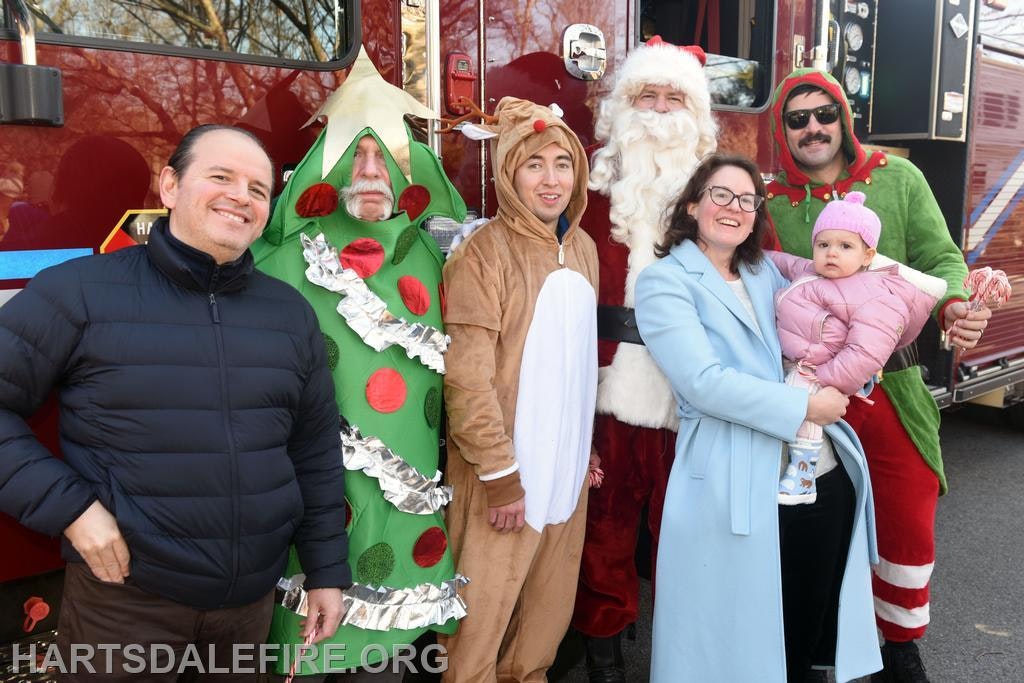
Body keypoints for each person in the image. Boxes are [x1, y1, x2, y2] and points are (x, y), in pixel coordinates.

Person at [0, 124, 348, 680]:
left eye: (259, 189)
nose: (242, 195)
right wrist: (71, 509)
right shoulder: (79, 292)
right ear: (169, 186)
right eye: (221, 177)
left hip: (247, 611)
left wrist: (328, 570)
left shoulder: (290, 315)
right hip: (126, 603)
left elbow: (314, 453)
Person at [765, 68, 992, 682]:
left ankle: (900, 647)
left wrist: (953, 305)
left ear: (844, 116)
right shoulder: (769, 204)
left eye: (824, 113)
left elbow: (942, 259)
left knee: (905, 519)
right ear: (782, 130)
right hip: (815, 395)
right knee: (812, 523)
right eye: (797, 118)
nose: (813, 127)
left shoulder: (900, 178)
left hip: (894, 389)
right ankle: (815, 648)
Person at [252, 49, 468, 679]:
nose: (370, 171)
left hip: (412, 468)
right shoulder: (284, 257)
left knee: (392, 615)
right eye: (357, 155)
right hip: (314, 482)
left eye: (384, 157)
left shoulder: (438, 254)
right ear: (331, 165)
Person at [635, 153, 881, 683]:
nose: (734, 208)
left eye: (747, 200)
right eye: (721, 195)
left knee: (800, 630)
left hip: (820, 474)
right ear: (694, 204)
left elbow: (835, 307)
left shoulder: (763, 268)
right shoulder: (664, 282)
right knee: (730, 637)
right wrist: (804, 407)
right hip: (731, 476)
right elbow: (702, 383)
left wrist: (854, 369)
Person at [572, 36, 718, 681]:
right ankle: (603, 648)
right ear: (620, 110)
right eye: (646, 96)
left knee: (686, 532)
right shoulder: (590, 190)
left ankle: (689, 652)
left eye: (673, 97)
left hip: (692, 388)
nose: (659, 111)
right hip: (606, 380)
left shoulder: (720, 194)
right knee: (604, 525)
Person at [440, 97, 599, 682]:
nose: (552, 179)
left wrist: (587, 450)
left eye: (563, 162)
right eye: (535, 164)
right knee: (475, 638)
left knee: (540, 634)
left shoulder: (581, 249)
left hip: (565, 479)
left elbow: (575, 366)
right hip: (502, 485)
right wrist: (500, 478)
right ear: (510, 173)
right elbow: (466, 376)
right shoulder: (485, 253)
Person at [769, 192, 947, 504]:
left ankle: (803, 471)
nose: (831, 254)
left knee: (804, 406)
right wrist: (753, 256)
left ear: (868, 255)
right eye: (823, 245)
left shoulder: (875, 294)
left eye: (845, 246)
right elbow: (782, 262)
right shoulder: (811, 271)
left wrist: (824, 379)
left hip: (817, 370)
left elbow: (866, 352)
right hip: (795, 358)